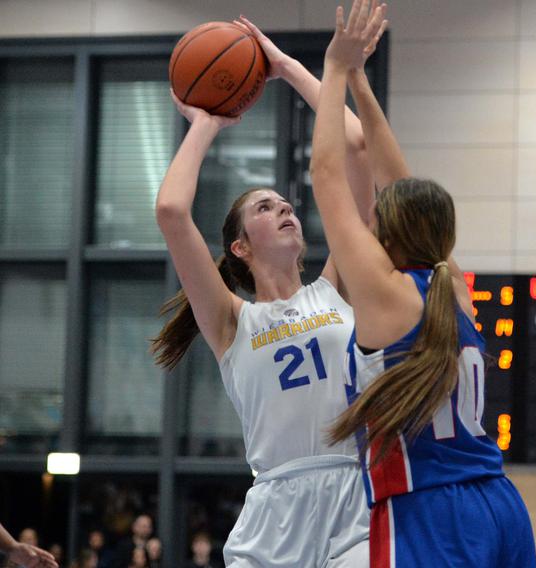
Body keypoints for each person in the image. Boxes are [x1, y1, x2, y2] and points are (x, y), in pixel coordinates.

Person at [151, 13, 387, 567]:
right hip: (276, 512)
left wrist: (285, 68)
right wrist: (206, 121)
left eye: (286, 203)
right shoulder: (232, 321)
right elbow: (170, 210)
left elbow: (354, 144)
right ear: (240, 247)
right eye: (265, 206)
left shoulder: (339, 289)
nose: (284, 207)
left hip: (354, 498)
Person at [310, 1, 536, 565]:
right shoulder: (449, 282)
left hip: (430, 513)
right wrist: (362, 82)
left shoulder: (386, 295)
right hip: (500, 503)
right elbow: (400, 184)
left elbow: (327, 175)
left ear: (386, 230)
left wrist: (335, 69)